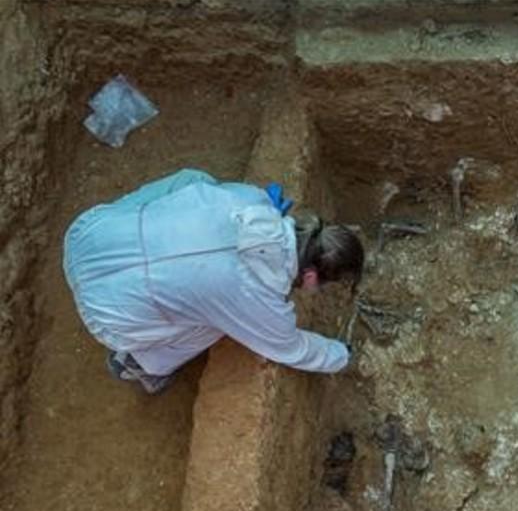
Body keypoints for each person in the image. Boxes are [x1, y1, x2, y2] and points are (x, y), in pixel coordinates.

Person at [63, 168, 362, 394]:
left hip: (87, 235)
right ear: (310, 276)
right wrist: (342, 356)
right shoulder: (256, 297)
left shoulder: (250, 200)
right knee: (213, 325)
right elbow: (291, 348)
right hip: (104, 312)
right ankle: (140, 365)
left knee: (193, 180)